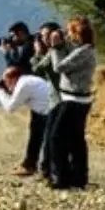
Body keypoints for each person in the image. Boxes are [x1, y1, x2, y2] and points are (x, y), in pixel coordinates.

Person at [40, 17, 97, 190]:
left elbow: (59, 67)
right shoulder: (84, 49)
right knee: (76, 139)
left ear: (77, 34)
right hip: (75, 98)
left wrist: (56, 47)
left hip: (74, 100)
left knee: (57, 137)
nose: (67, 35)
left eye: (69, 31)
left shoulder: (84, 51)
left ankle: (62, 177)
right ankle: (79, 177)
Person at [0, 65, 54, 177]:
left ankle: (46, 169)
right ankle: (30, 165)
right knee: (35, 138)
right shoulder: (27, 80)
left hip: (48, 112)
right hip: (42, 110)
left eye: (6, 81)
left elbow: (10, 107)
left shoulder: (23, 85)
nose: (5, 84)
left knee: (46, 142)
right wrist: (7, 90)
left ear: (13, 79)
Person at [32, 21, 65, 183]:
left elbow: (37, 70)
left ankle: (51, 171)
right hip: (57, 98)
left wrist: (38, 53)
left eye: (44, 35)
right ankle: (50, 170)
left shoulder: (55, 52)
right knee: (54, 136)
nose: (42, 39)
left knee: (53, 136)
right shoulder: (58, 50)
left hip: (59, 99)